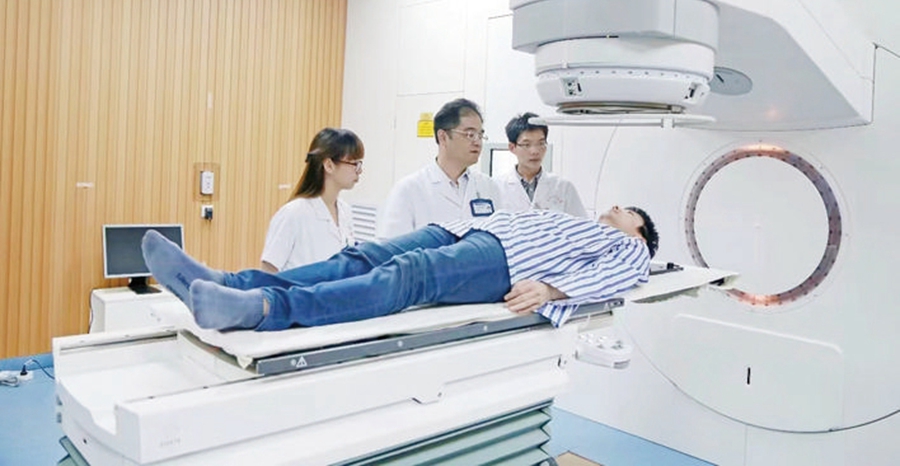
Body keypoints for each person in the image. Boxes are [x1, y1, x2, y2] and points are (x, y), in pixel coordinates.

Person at [142, 205, 659, 332]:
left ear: (638, 231)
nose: (614, 208)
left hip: (504, 261)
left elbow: (623, 273)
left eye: (626, 211)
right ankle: (224, 283)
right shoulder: (575, 219)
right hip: (464, 230)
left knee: (407, 275)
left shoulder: (629, 246)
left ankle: (260, 308)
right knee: (360, 256)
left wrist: (550, 289)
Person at [377, 98, 504, 238]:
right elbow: (391, 247)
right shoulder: (408, 190)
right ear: (443, 137)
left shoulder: (489, 187)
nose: (478, 142)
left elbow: (500, 239)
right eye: (470, 134)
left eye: (480, 135)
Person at [259, 128, 364, 273]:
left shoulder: (345, 211)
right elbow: (268, 271)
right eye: (354, 164)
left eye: (360, 164)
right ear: (329, 165)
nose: (359, 171)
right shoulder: (293, 213)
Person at [495, 112, 587, 217]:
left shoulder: (563, 187)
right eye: (527, 145)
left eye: (541, 143)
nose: (535, 151)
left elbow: (581, 224)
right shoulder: (497, 187)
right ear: (512, 147)